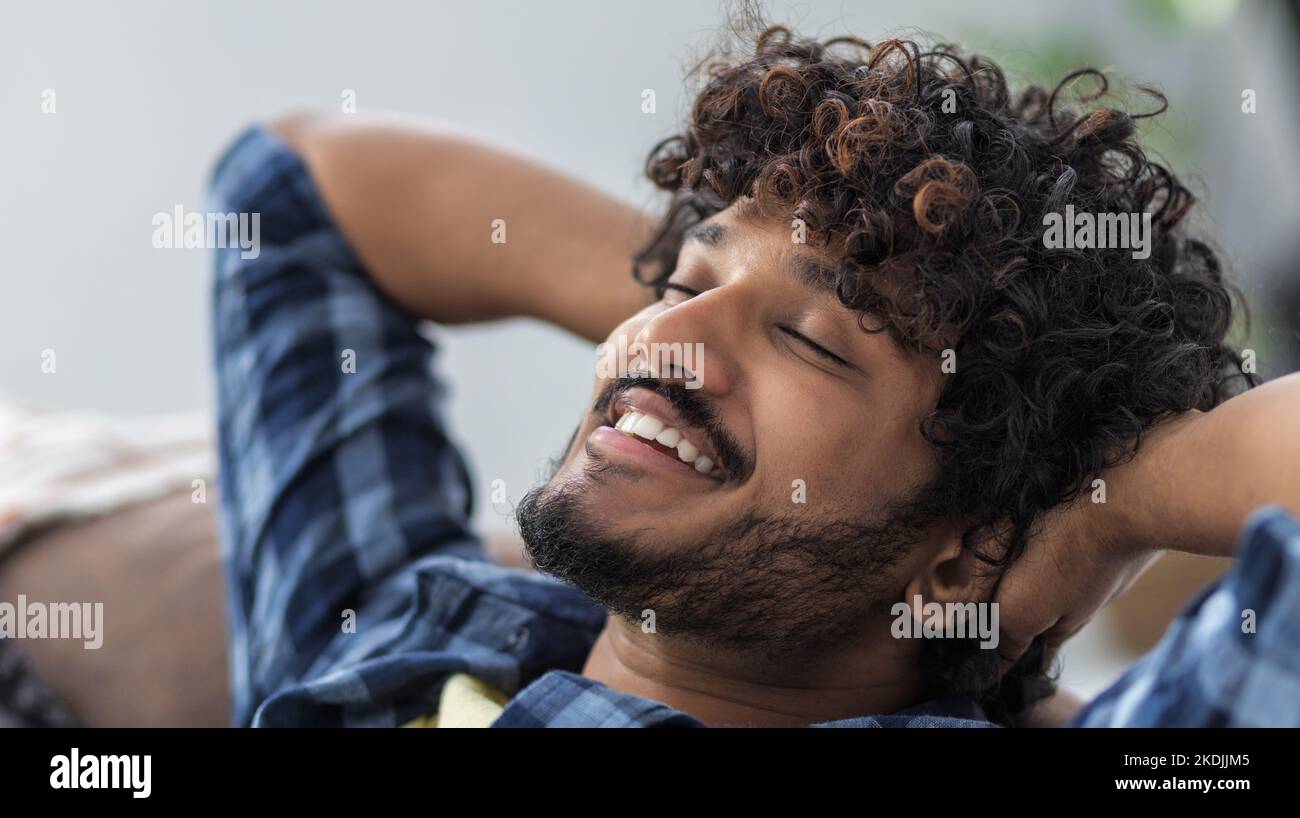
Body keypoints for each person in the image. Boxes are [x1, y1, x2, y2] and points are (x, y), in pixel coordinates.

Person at [209, 23, 1300, 727]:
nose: (660, 332)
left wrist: (1104, 505)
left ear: (965, 553)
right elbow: (293, 193)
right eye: (683, 281)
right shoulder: (386, 636)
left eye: (819, 344)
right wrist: (712, 324)